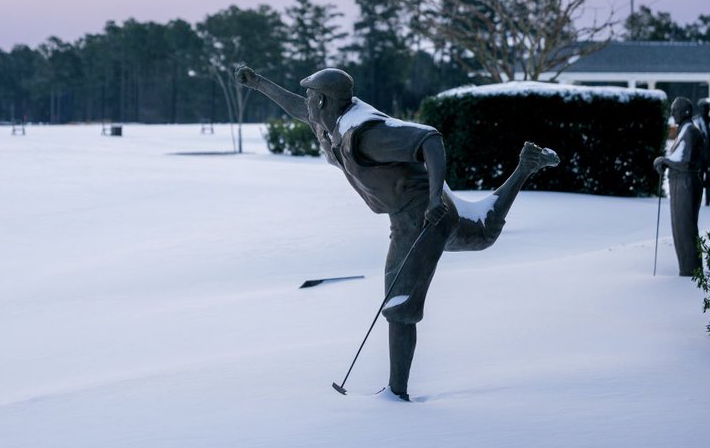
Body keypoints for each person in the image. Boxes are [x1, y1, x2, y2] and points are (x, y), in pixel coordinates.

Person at [235, 64, 559, 400]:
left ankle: (396, 394)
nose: (308, 102)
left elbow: (429, 139)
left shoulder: (367, 135)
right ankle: (527, 166)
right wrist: (259, 83)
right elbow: (301, 109)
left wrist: (434, 199)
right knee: (482, 231)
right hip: (409, 212)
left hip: (422, 216)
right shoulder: (333, 117)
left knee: (399, 303)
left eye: (312, 96)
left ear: (323, 101)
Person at [654, 97, 705, 277]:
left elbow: (685, 161)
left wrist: (664, 160)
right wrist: (666, 163)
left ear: (686, 112)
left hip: (686, 183)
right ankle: (687, 267)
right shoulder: (684, 130)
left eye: (675, 110)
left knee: (686, 228)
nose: (672, 114)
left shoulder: (690, 131)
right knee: (680, 228)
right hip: (680, 183)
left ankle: (691, 269)